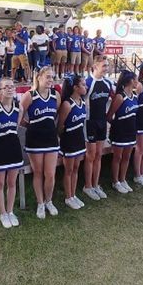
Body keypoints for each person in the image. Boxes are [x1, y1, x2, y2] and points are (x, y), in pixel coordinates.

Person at [20, 66, 60, 219]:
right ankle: (40, 203)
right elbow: (19, 116)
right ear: (39, 77)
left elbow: (54, 115)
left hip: (50, 138)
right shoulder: (29, 95)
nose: (51, 80)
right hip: (34, 139)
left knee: (50, 173)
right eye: (48, 77)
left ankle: (49, 201)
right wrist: (30, 126)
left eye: (52, 77)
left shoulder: (55, 95)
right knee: (38, 173)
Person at [0, 77, 23, 228]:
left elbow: (16, 127)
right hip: (0, 148)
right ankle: (3, 213)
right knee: (0, 182)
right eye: (6, 87)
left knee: (12, 182)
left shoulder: (18, 107)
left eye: (12, 86)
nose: (10, 89)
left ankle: (10, 210)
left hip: (14, 147)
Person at [83, 55, 111, 200]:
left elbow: (108, 102)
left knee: (99, 155)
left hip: (101, 122)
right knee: (91, 155)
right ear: (95, 66)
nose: (106, 68)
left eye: (107, 65)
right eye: (104, 65)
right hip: (90, 123)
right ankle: (87, 186)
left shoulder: (107, 83)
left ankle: (95, 184)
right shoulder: (88, 83)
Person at [58, 74, 87, 209]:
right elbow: (60, 126)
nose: (85, 87)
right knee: (68, 170)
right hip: (69, 141)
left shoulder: (83, 102)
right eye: (83, 84)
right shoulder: (67, 104)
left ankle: (73, 194)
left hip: (80, 140)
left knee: (76, 168)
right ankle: (68, 197)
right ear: (75, 87)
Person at [107, 70, 138, 194]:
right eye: (135, 80)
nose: (137, 82)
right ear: (130, 81)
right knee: (118, 157)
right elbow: (109, 115)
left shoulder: (134, 96)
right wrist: (117, 126)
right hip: (120, 131)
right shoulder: (120, 96)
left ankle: (123, 179)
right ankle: (115, 182)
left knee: (127, 157)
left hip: (131, 131)